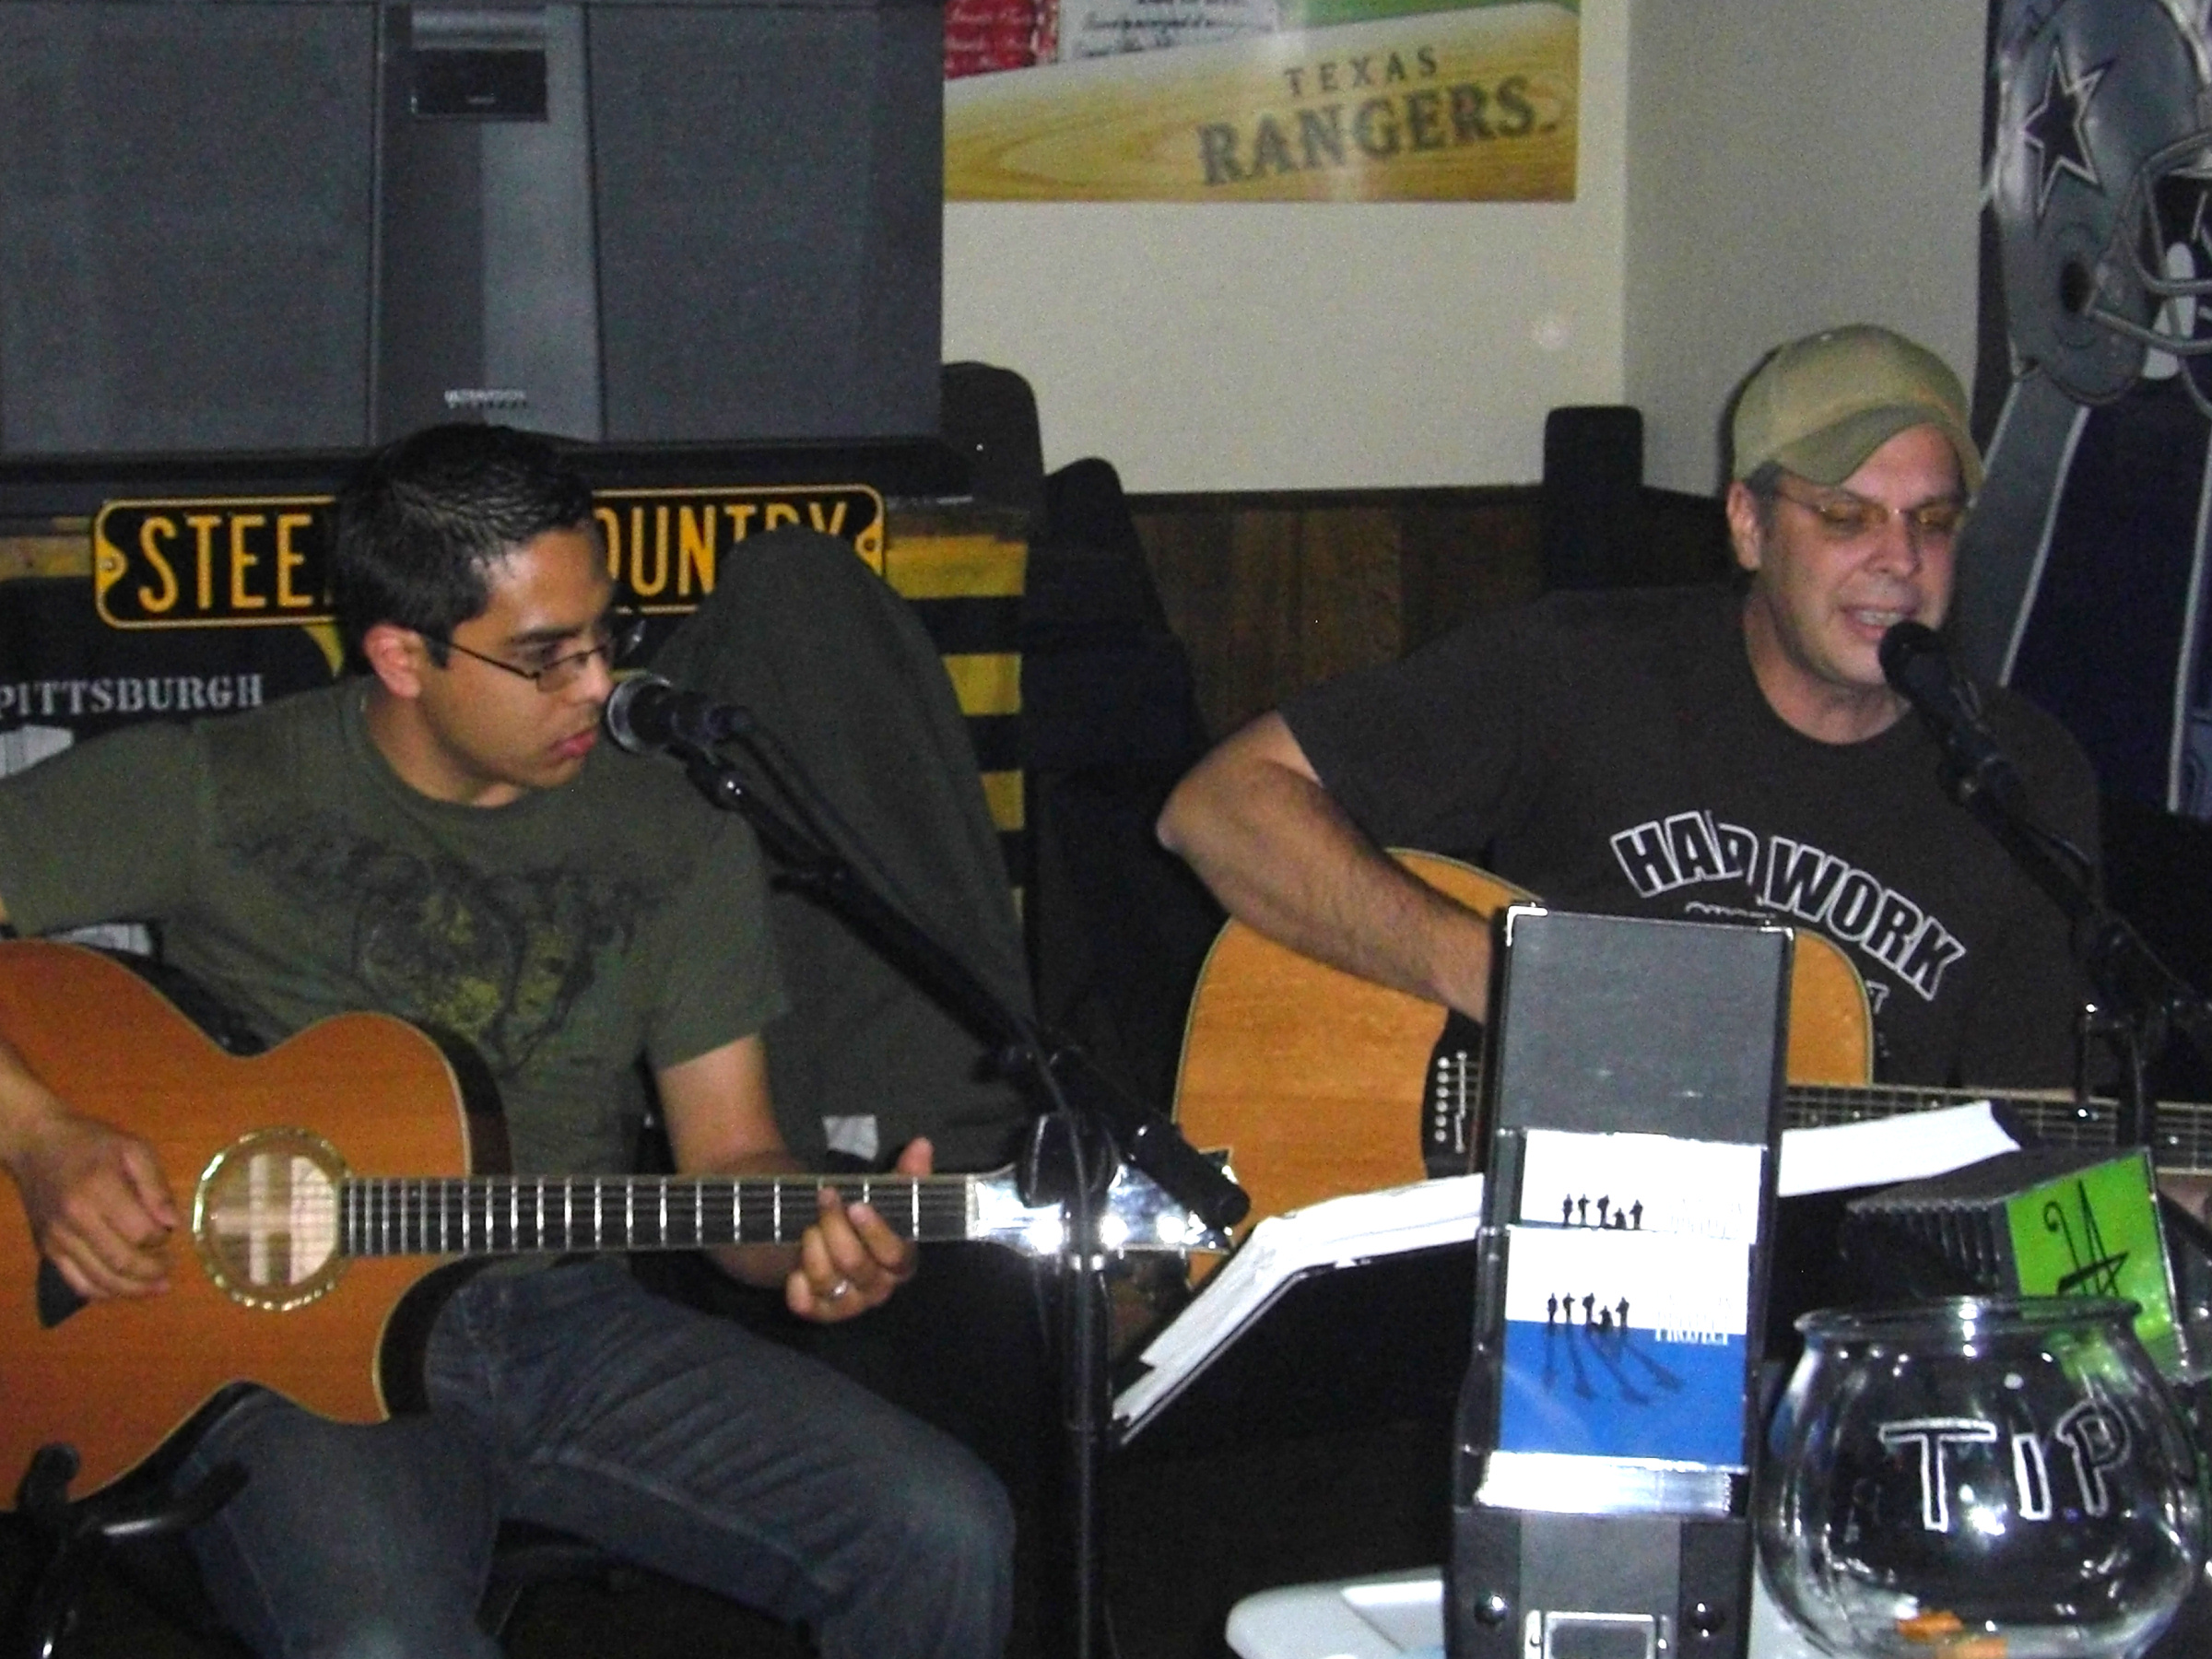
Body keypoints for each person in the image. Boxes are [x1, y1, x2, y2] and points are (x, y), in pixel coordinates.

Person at [0, 424, 1014, 1659]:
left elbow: (732, 1163)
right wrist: (41, 1136)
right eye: (545, 657)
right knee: (383, 1643)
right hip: (279, 1350)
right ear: (403, 655)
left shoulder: (682, 832)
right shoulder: (218, 786)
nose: (596, 686)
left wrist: (812, 1241)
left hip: (567, 1320)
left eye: (607, 636)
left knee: (942, 1527)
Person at [1157, 324, 2100, 1092]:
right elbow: (1218, 809)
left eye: (1932, 521)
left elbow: (2044, 1130)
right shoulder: (1584, 669)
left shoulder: (2022, 780)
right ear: (1748, 524)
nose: (1899, 559)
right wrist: (1512, 986)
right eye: (1845, 517)